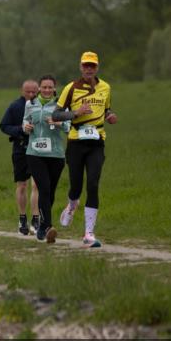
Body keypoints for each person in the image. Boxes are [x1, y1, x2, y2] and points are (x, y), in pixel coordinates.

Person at [53, 51, 117, 248]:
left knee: (93, 183)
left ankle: (89, 233)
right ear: (80, 67)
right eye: (86, 65)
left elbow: (106, 109)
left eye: (93, 66)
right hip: (76, 142)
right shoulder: (71, 88)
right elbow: (56, 115)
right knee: (76, 186)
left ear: (97, 67)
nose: (89, 69)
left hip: (97, 141)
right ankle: (72, 204)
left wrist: (110, 116)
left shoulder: (105, 87)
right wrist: (75, 113)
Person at [23, 74, 70, 243]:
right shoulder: (31, 104)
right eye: (44, 87)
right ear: (39, 89)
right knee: (43, 188)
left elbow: (68, 128)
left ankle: (42, 225)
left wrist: (58, 123)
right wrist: (26, 127)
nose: (47, 90)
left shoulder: (61, 105)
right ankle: (48, 226)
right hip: (34, 153)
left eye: (50, 87)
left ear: (55, 89)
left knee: (50, 192)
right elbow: (25, 121)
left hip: (56, 154)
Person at [0, 80, 40, 235]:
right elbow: (3, 126)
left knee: (37, 185)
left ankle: (36, 219)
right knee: (22, 185)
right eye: (27, 92)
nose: (31, 95)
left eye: (33, 92)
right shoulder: (15, 106)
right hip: (20, 148)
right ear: (22, 91)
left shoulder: (41, 106)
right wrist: (20, 130)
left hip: (38, 148)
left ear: (38, 91)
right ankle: (22, 217)